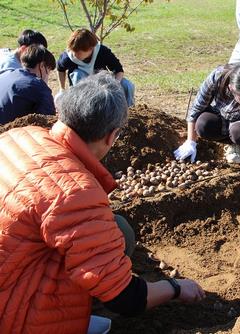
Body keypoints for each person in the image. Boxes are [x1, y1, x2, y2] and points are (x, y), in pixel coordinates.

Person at [0, 72, 205, 334]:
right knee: (111, 245)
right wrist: (176, 288)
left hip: (11, 267)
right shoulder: (75, 193)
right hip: (12, 314)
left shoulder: (20, 135)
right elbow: (125, 299)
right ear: (112, 136)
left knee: (117, 229)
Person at [174, 63, 240, 202]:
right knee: (203, 125)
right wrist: (190, 141)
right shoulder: (217, 77)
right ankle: (232, 145)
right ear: (231, 89)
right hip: (224, 118)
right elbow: (196, 110)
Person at [56, 28, 134, 106]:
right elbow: (60, 69)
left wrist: (114, 85)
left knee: (127, 85)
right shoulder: (67, 57)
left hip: (103, 84)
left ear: (91, 49)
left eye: (78, 52)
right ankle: (81, 110)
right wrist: (62, 89)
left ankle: (127, 110)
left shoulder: (102, 52)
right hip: (80, 90)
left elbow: (119, 70)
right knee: (77, 74)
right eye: (73, 51)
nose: (75, 54)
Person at [0, 44, 56, 125]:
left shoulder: (6, 74)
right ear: (42, 66)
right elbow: (49, 122)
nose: (48, 75)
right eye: (49, 70)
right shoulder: (39, 87)